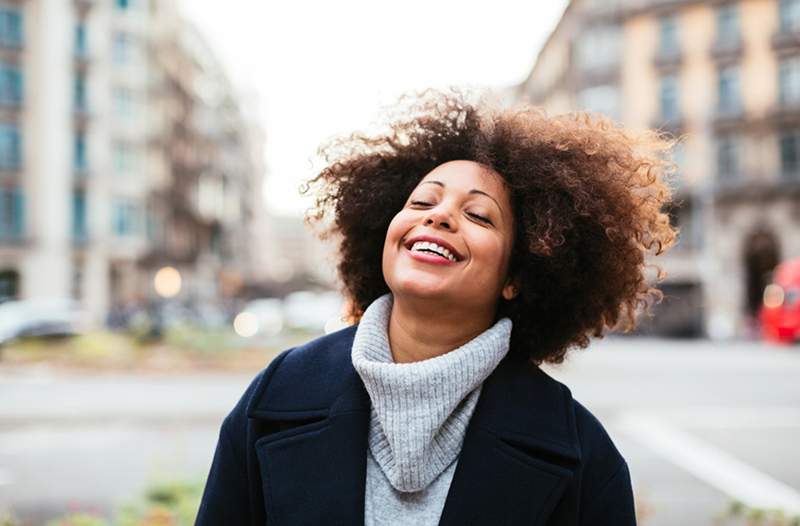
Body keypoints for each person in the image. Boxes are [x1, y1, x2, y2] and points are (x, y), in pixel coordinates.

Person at [195, 88, 678, 525]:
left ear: (515, 276)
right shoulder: (277, 395)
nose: (441, 216)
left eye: (478, 215)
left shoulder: (581, 453)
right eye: (422, 202)